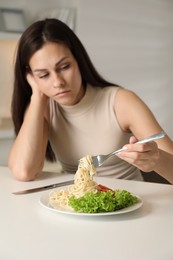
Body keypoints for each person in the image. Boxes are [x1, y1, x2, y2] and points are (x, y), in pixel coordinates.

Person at [8, 18, 173, 183]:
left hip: (132, 202)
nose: (57, 82)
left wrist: (155, 159)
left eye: (64, 67)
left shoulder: (121, 101)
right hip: (76, 205)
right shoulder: (43, 107)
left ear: (78, 60)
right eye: (43, 75)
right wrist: (37, 95)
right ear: (31, 77)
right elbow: (24, 171)